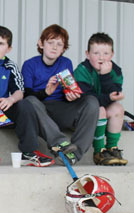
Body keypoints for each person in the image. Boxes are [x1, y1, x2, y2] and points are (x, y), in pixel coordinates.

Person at [0, 25, 54, 167]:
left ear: (8, 48)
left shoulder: (11, 66)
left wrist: (10, 99)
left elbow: (19, 91)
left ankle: (29, 152)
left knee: (25, 104)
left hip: (4, 108)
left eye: (1, 44)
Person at [21, 24, 99, 165]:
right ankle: (60, 144)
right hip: (40, 111)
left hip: (61, 109)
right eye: (50, 42)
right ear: (41, 43)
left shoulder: (65, 63)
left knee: (92, 102)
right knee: (30, 100)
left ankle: (74, 154)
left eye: (59, 44)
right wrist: (45, 92)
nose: (54, 47)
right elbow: (26, 95)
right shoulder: (30, 64)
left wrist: (72, 96)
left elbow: (68, 90)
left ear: (64, 49)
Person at [74, 32, 127, 165]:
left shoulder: (115, 70)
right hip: (85, 109)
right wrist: (109, 97)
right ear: (87, 54)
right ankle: (99, 151)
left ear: (112, 54)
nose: (101, 58)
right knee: (100, 109)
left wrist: (105, 76)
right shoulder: (82, 70)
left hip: (103, 104)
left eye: (105, 53)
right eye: (96, 53)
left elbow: (114, 93)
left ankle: (112, 148)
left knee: (117, 108)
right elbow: (88, 98)